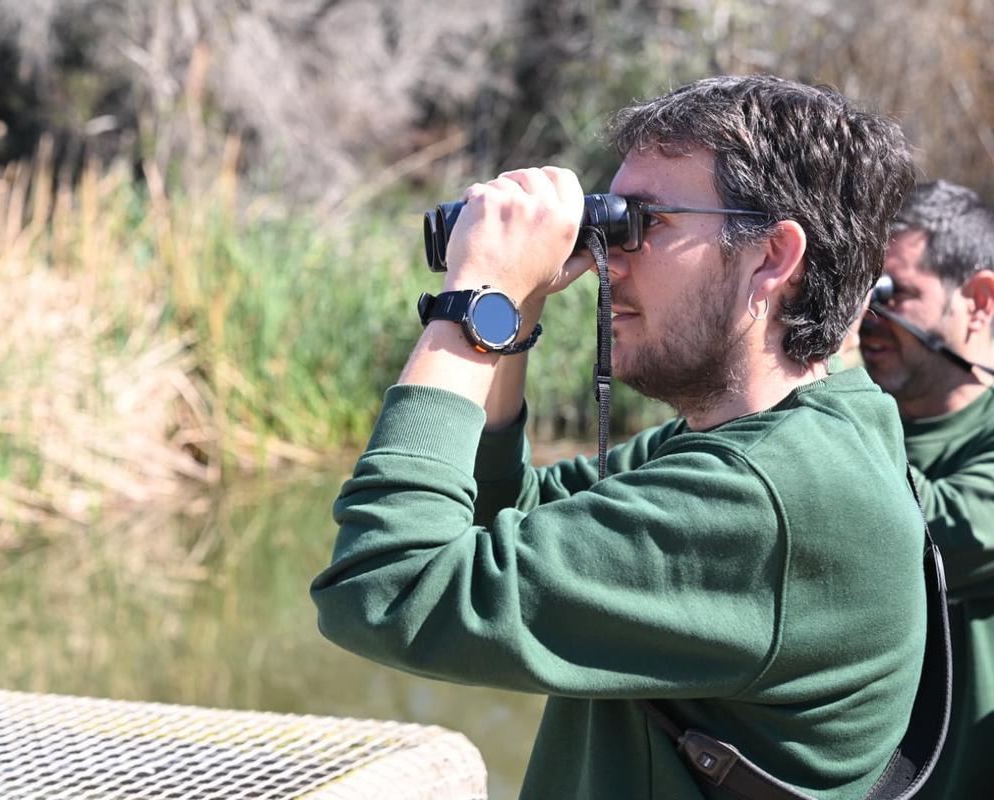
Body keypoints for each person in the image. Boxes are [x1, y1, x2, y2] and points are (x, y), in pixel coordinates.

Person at [311, 75, 925, 799]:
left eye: (645, 222)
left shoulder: (768, 497)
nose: (610, 259)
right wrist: (516, 310)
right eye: (607, 223)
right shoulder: (811, 430)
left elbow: (385, 585)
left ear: (771, 256)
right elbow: (502, 513)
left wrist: (474, 300)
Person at [859, 180, 994, 799]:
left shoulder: (839, 427)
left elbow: (920, 535)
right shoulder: (842, 424)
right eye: (860, 290)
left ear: (979, 300)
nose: (868, 315)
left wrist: (821, 378)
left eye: (894, 293)